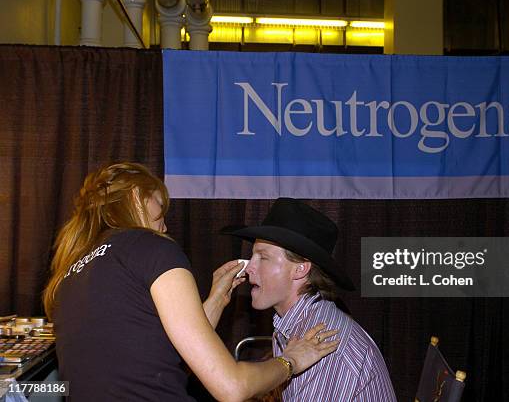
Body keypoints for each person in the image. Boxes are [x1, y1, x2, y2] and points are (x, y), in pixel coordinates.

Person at [43, 163, 339, 401]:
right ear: (136, 197)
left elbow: (153, 358)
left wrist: (213, 302)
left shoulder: (71, 272)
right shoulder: (152, 247)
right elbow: (231, 388)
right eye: (161, 209)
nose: (165, 225)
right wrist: (291, 361)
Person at [223, 197, 397, 401]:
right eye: (253, 256)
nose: (249, 267)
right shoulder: (296, 322)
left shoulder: (321, 342)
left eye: (264, 257)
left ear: (300, 269)